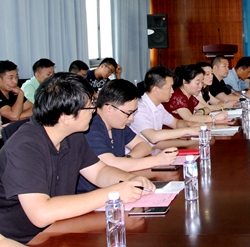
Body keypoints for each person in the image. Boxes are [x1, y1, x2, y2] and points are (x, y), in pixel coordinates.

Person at [0, 72, 154, 244]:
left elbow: (99, 172)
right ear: (66, 116)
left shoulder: (72, 135)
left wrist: (128, 179)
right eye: (90, 107)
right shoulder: (24, 147)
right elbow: (41, 213)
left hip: (61, 227)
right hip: (26, 239)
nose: (94, 111)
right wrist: (113, 193)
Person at [78, 79, 178, 193]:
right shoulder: (91, 127)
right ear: (109, 108)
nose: (131, 118)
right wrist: (157, 161)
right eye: (128, 113)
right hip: (92, 193)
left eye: (133, 113)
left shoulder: (117, 125)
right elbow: (110, 164)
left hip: (115, 187)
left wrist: (127, 159)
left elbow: (144, 145)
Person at [129, 66, 201, 145]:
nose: (172, 91)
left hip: (156, 150)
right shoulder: (139, 108)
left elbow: (176, 123)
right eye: (169, 88)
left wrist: (189, 124)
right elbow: (153, 137)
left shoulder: (159, 105)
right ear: (156, 90)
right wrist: (188, 130)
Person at [163, 65, 227, 123]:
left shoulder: (189, 96)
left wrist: (200, 112)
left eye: (202, 82)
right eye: (197, 83)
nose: (201, 86)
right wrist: (214, 118)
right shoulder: (178, 96)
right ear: (185, 82)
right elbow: (189, 118)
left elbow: (206, 108)